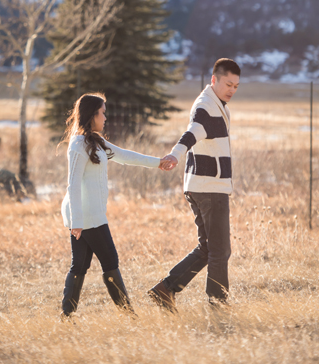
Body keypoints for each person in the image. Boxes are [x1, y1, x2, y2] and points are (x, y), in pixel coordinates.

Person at [59, 92, 169, 317]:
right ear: (92, 115)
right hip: (87, 216)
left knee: (79, 266)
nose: (105, 118)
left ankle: (66, 317)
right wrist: (77, 222)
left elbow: (124, 156)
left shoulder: (95, 141)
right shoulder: (78, 145)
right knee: (110, 260)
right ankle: (130, 315)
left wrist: (158, 163)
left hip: (87, 215)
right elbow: (73, 185)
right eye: (102, 113)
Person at [149, 58, 241, 311]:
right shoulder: (207, 106)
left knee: (209, 248)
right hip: (210, 187)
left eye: (235, 85)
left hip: (201, 184)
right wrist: (175, 154)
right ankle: (218, 305)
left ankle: (165, 290)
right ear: (214, 80)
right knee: (220, 251)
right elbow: (193, 131)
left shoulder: (216, 103)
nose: (231, 90)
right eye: (227, 84)